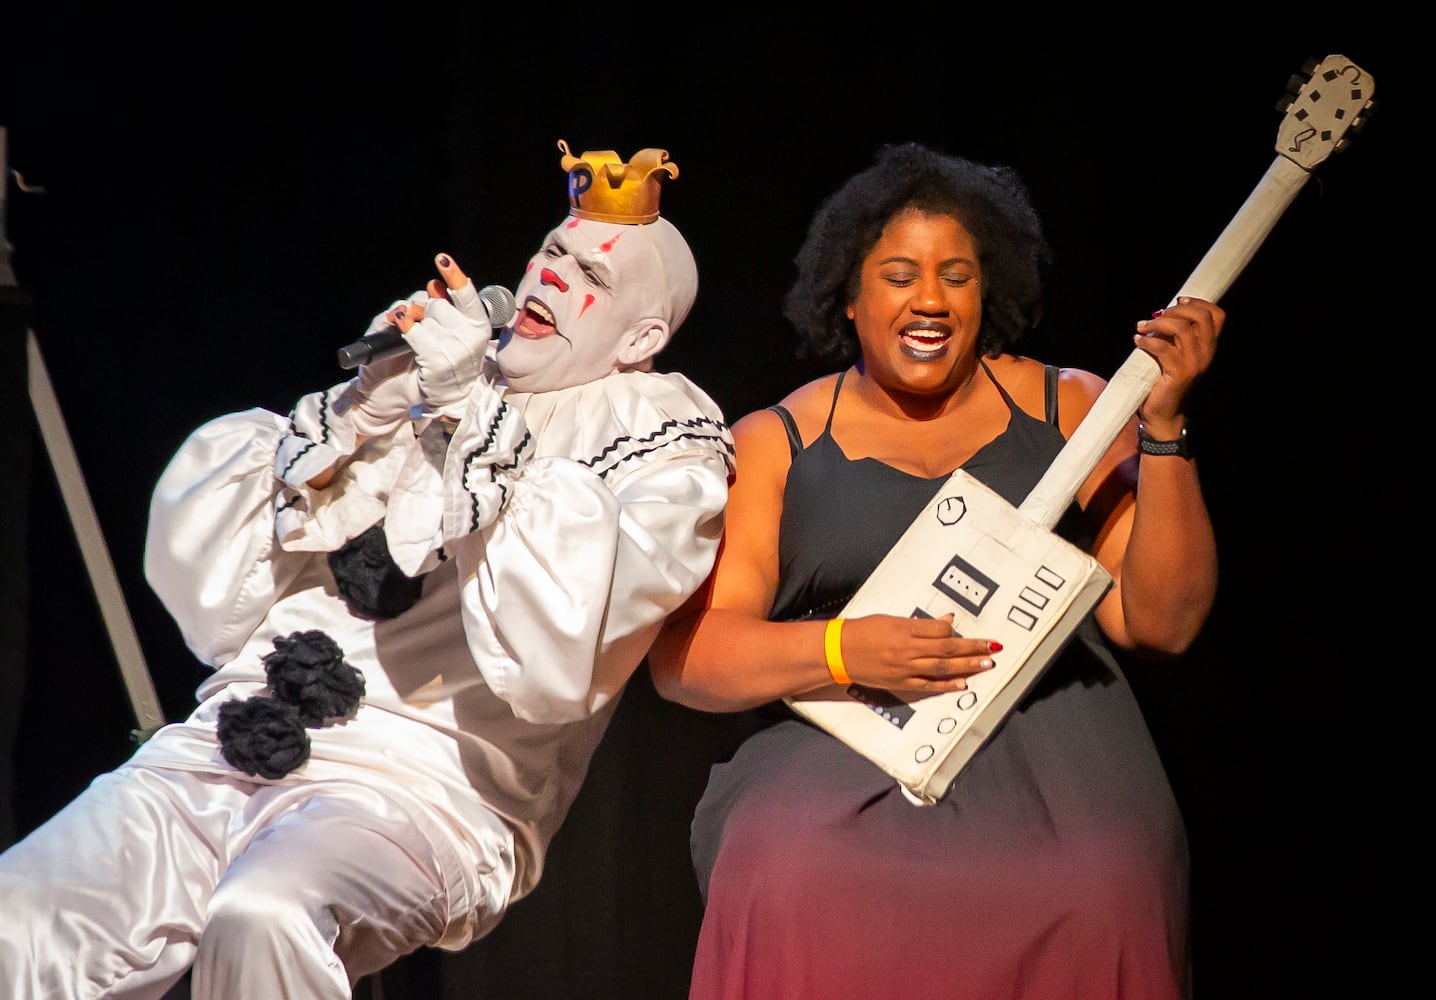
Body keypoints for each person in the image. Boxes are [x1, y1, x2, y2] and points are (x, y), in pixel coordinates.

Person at [0, 140, 734, 999]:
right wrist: (361, 412)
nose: (554, 279)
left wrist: (470, 412)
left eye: (593, 279)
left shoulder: (658, 437)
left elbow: (567, 641)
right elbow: (214, 603)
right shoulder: (444, 367)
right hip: (229, 746)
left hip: (423, 791)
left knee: (266, 913)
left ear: (641, 337)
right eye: (551, 255)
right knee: (20, 912)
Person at [647, 141, 1223, 999]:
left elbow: (1160, 622)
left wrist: (1164, 429)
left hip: (1054, 752)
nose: (930, 300)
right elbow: (688, 658)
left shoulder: (1070, 405)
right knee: (785, 864)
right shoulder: (776, 440)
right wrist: (846, 652)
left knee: (1106, 881)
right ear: (848, 295)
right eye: (899, 273)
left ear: (987, 290)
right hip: (848, 741)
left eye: (957, 275)